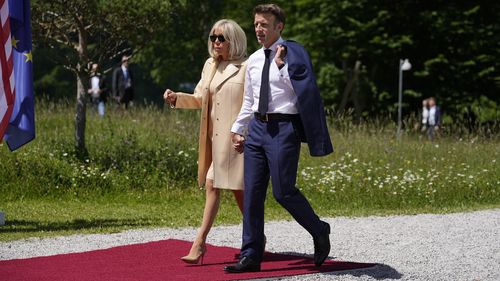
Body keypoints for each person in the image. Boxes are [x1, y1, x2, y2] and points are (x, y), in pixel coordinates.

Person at [224, 4, 333, 273]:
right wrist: (239, 129)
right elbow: (249, 99)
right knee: (252, 195)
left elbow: (303, 94)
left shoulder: (294, 53)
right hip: (257, 130)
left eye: (264, 24)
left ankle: (319, 230)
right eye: (256, 24)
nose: (259, 29)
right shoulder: (254, 59)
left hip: (284, 129)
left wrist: (282, 67)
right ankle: (250, 256)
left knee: (283, 192)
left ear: (278, 27)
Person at [163, 19, 247, 265]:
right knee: (222, 187)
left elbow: (252, 103)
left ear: (234, 40)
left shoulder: (247, 66)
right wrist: (176, 98)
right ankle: (204, 243)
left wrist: (245, 132)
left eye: (221, 38)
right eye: (213, 38)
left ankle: (203, 243)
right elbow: (200, 97)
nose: (216, 43)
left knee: (232, 189)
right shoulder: (210, 65)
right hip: (213, 140)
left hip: (236, 139)